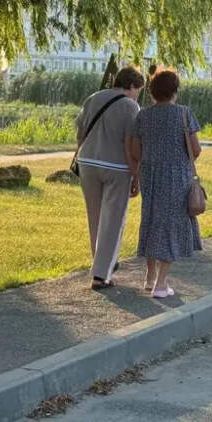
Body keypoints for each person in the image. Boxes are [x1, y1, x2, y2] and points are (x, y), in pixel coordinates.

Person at [131, 68, 202, 298]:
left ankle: (150, 276)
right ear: (175, 91)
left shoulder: (143, 116)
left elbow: (135, 150)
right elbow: (196, 149)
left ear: (153, 91)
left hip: (150, 175)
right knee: (171, 224)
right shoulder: (184, 114)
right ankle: (161, 284)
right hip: (176, 176)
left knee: (152, 220)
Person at [75, 66, 146, 289]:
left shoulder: (93, 98)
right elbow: (129, 144)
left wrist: (81, 156)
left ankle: (100, 261)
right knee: (113, 219)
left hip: (87, 162)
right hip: (116, 166)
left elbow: (80, 133)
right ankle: (101, 273)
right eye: (138, 90)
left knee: (94, 216)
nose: (137, 95)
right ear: (132, 86)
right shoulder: (130, 106)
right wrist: (135, 175)